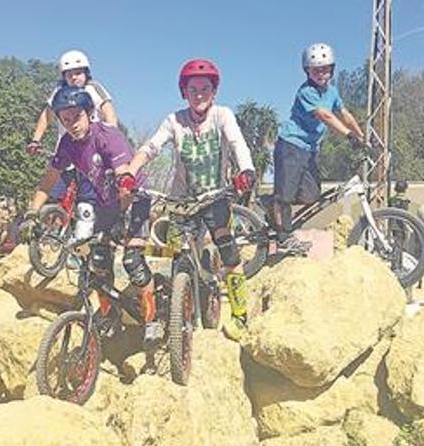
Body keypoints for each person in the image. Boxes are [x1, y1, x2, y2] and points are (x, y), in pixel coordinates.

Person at [124, 59, 256, 341]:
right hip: (180, 201)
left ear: (214, 91)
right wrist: (130, 172)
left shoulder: (222, 116)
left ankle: (240, 315)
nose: (199, 94)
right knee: (173, 255)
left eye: (205, 88)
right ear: (184, 92)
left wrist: (246, 170)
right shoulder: (174, 120)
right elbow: (152, 147)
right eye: (193, 89)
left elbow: (237, 143)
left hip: (215, 197)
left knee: (231, 254)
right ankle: (174, 310)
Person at [21, 85, 161, 347]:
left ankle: (152, 320)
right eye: (65, 119)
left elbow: (124, 178)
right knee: (97, 262)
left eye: (77, 116)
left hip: (133, 197)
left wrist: (118, 221)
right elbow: (47, 182)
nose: (72, 124)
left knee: (132, 261)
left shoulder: (109, 137)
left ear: (89, 113)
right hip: (107, 203)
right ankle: (109, 315)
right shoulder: (66, 145)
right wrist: (31, 214)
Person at [271, 43, 365, 252]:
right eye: (316, 70)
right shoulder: (306, 92)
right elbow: (325, 115)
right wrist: (348, 135)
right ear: (307, 71)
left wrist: (361, 136)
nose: (321, 74)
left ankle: (274, 203)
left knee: (312, 197)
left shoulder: (332, 91)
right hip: (291, 146)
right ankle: (283, 235)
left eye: (325, 69)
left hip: (310, 150)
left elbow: (344, 114)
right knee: (285, 196)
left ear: (332, 68)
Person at [26, 50, 119, 155]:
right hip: (67, 150)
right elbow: (46, 116)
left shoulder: (93, 88)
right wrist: (35, 140)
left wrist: (113, 140)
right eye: (69, 75)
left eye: (78, 73)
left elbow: (109, 113)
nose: (74, 77)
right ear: (64, 77)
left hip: (93, 149)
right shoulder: (59, 91)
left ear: (86, 73)